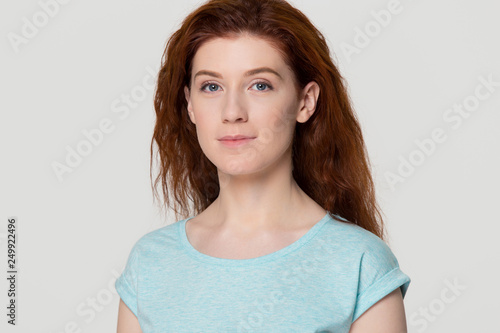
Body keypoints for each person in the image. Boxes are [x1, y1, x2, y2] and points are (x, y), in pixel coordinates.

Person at [115, 0, 411, 332]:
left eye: (260, 85)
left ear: (305, 101)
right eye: (211, 87)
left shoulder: (359, 264)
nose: (232, 111)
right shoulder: (150, 263)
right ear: (190, 105)